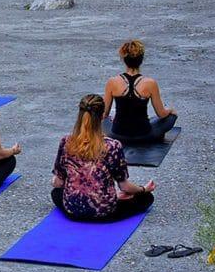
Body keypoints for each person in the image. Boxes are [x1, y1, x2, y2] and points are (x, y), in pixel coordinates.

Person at [52, 94, 156, 222]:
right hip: (103, 212)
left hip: (73, 210)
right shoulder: (112, 146)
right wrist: (143, 189)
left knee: (56, 193)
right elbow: (124, 186)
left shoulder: (66, 142)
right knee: (146, 198)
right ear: (102, 117)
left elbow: (57, 182)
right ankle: (116, 199)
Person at [103, 40, 177, 144]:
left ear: (124, 59)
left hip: (117, 135)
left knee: (101, 120)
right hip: (144, 135)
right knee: (171, 117)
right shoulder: (150, 83)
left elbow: (104, 114)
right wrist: (170, 111)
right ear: (141, 60)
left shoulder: (112, 82)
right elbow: (161, 114)